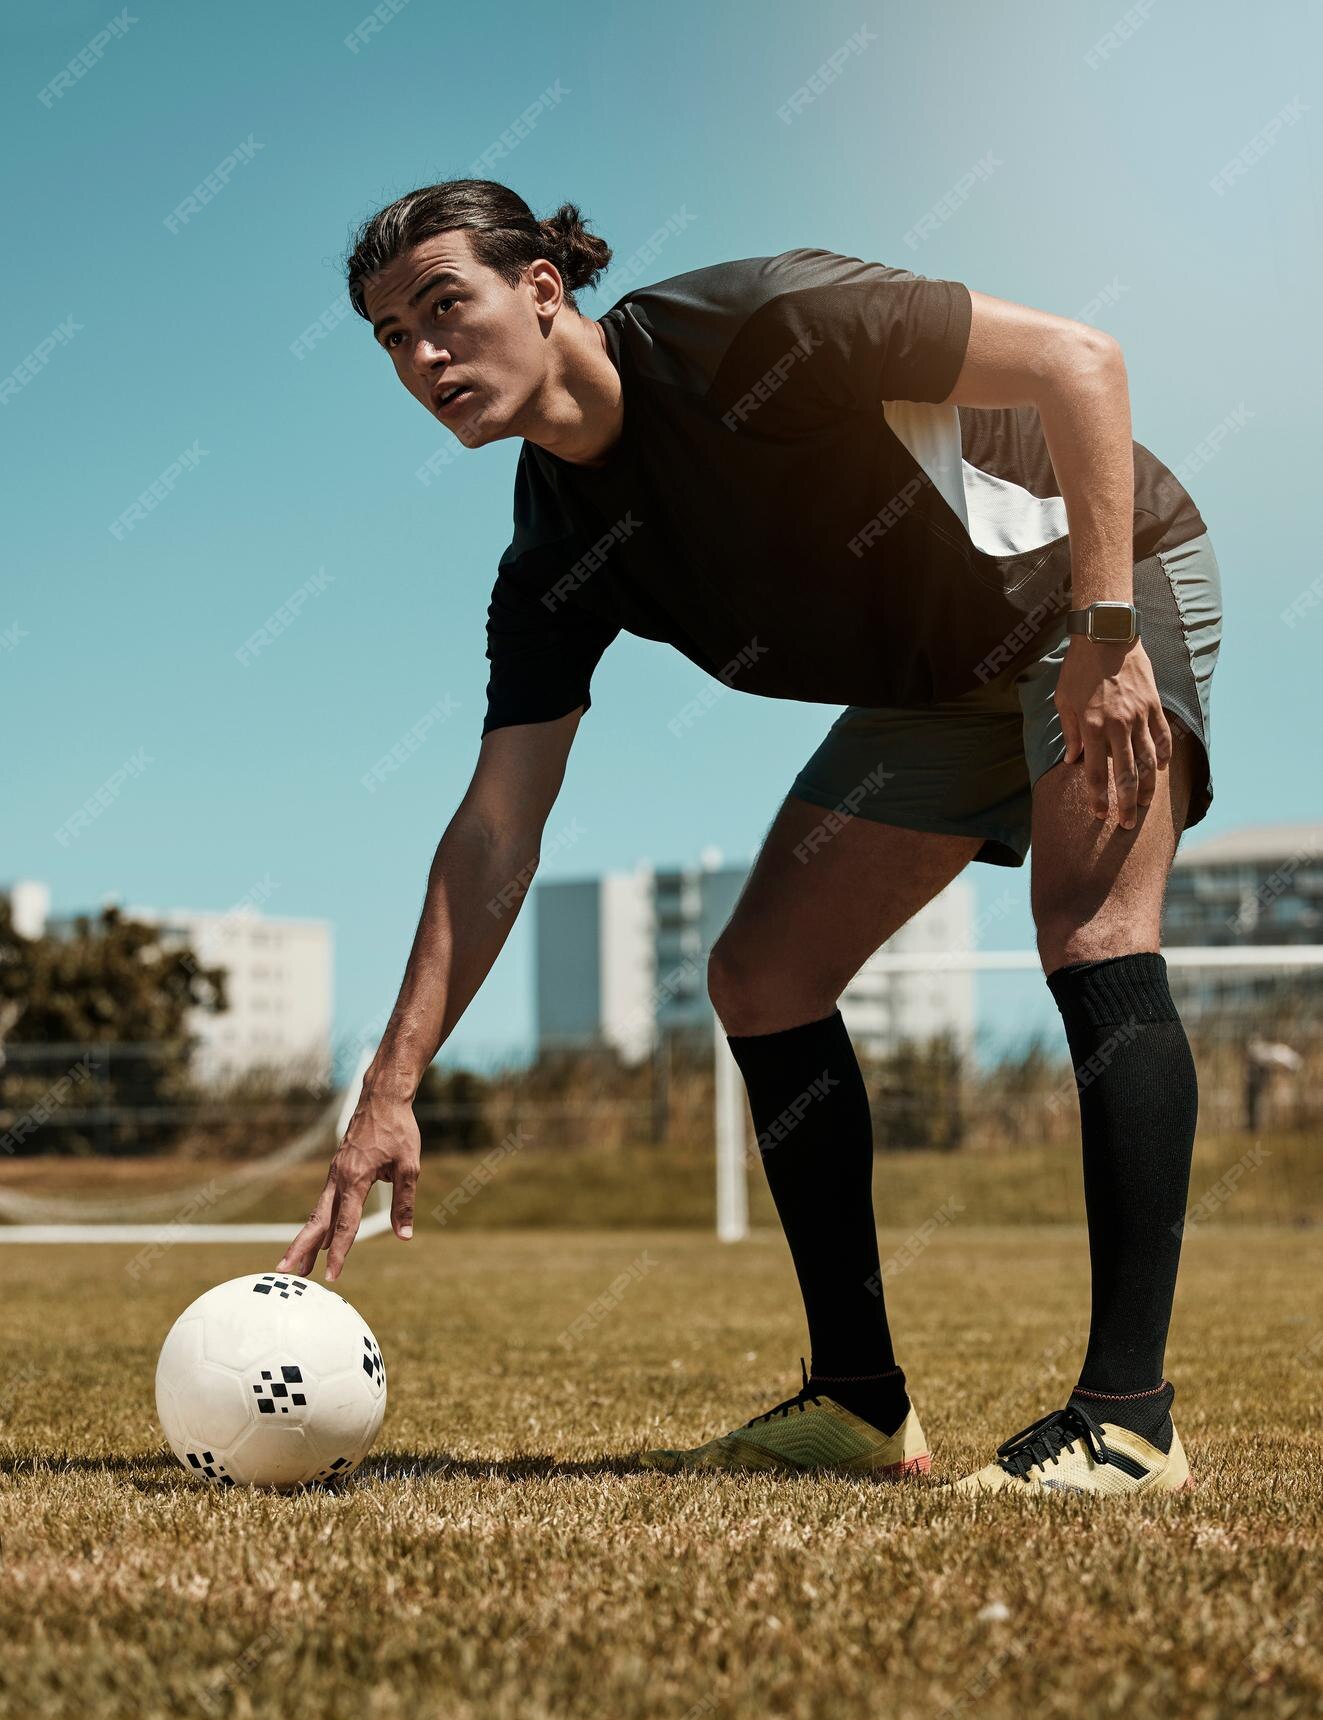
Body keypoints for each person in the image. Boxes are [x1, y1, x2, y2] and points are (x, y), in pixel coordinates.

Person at [278, 178, 1222, 1499]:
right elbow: (496, 833)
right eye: (390, 336)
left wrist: (1112, 634)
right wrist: (390, 1087)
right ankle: (858, 1407)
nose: (423, 356)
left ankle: (1129, 1422)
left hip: (1079, 584)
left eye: (446, 308)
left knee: (1091, 925)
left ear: (544, 291)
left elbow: (1082, 359)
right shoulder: (552, 557)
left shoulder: (755, 328)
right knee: (762, 975)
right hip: (932, 682)